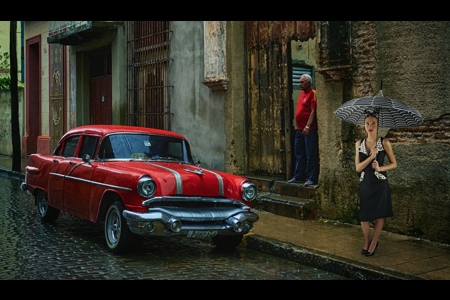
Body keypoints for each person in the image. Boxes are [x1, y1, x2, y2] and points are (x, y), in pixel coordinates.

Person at [355, 114, 397, 256]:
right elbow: (358, 168)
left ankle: (374, 242)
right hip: (365, 182)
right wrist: (371, 157)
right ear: (364, 126)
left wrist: (380, 168)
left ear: (378, 125)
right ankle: (367, 240)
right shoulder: (359, 143)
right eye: (368, 123)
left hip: (380, 183)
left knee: (379, 215)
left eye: (374, 123)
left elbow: (394, 164)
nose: (370, 127)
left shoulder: (384, 142)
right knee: (364, 216)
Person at [289, 74, 318, 186]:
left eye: (302, 82)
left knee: (310, 154)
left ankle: (312, 178)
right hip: (299, 129)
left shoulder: (313, 93)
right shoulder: (302, 93)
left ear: (309, 83)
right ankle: (299, 176)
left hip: (309, 130)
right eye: (300, 82)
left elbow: (313, 112)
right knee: (299, 153)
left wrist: (307, 127)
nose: (300, 84)